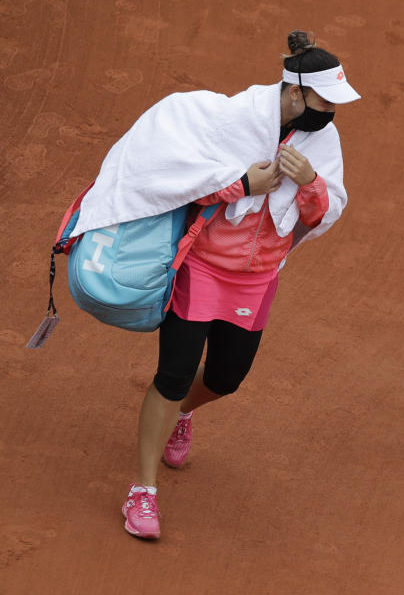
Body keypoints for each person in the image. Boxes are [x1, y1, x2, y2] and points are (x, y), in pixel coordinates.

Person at [82, 31, 361, 539]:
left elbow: (326, 212)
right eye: (325, 100)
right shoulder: (227, 117)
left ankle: (183, 415)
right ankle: (142, 492)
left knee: (227, 377)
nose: (331, 112)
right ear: (294, 92)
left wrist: (311, 182)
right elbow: (175, 172)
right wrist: (242, 184)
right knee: (173, 373)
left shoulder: (323, 140)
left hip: (258, 278)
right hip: (202, 267)